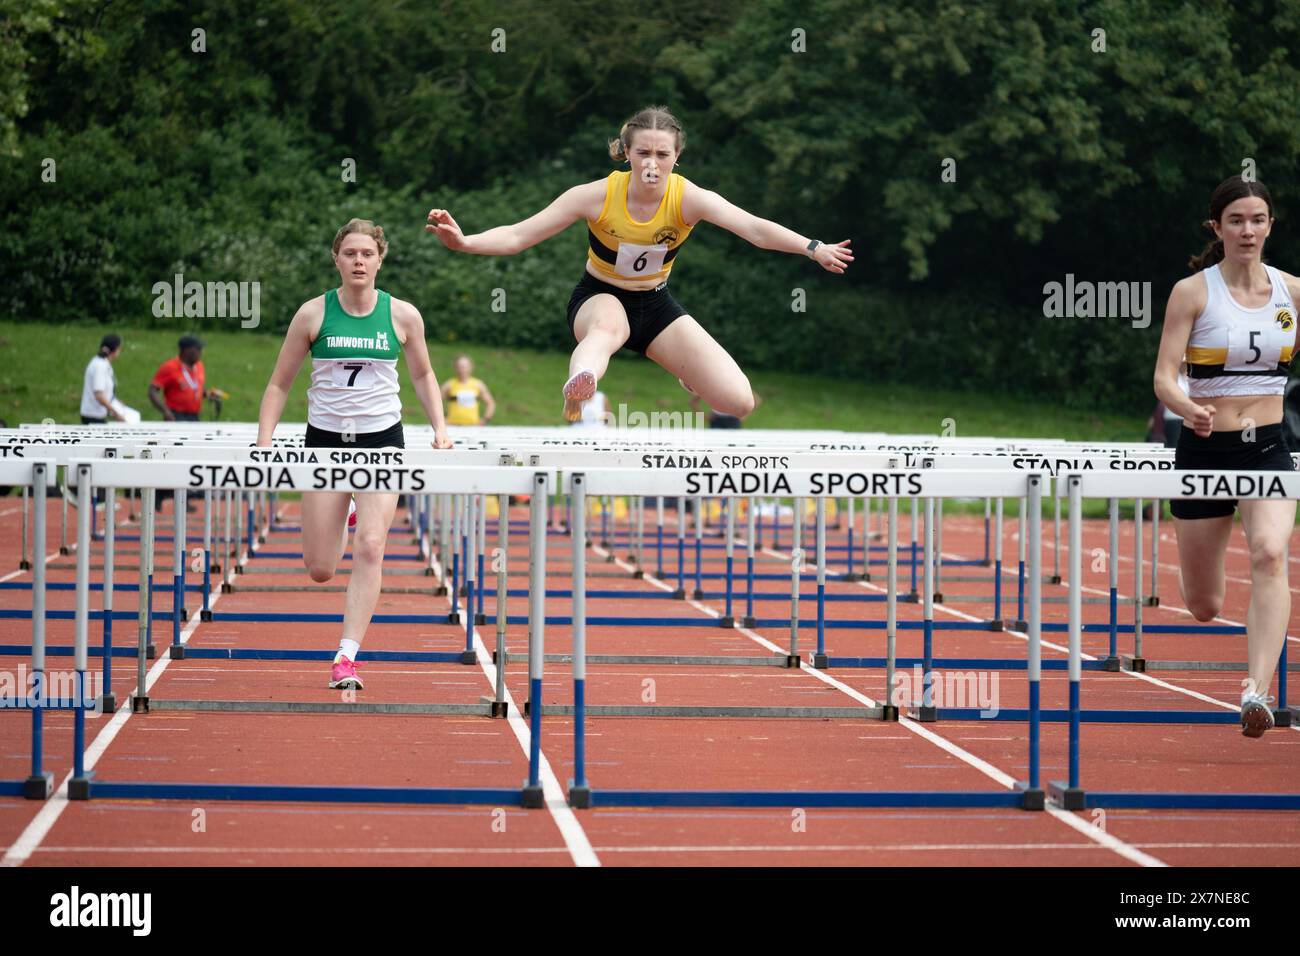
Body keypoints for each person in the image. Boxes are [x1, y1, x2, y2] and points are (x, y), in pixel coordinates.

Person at [426, 105, 852, 421]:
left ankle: (682, 372)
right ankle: (580, 388)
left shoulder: (688, 198)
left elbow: (754, 228)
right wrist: (465, 242)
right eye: (643, 152)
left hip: (656, 304)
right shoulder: (596, 195)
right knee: (608, 329)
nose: (652, 163)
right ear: (626, 153)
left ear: (676, 158)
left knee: (737, 402)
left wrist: (812, 247)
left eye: (662, 155)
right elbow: (520, 234)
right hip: (599, 297)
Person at [255, 218, 454, 691]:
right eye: (350, 254)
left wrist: (440, 430)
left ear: (380, 259)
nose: (359, 261)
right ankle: (345, 516)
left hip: (382, 443)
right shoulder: (312, 315)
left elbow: (424, 376)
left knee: (372, 544)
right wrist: (264, 441)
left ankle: (346, 656)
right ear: (337, 259)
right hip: (324, 443)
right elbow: (280, 381)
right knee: (320, 568)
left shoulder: (403, 315)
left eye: (367, 253)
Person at [1153, 174, 1300, 737]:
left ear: (1270, 226)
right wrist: (1189, 407)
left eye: (1257, 219)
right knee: (1204, 603)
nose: (1248, 230)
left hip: (1266, 448)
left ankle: (1255, 693)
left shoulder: (1292, 292)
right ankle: (1248, 673)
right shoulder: (1193, 292)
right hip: (1203, 447)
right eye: (1236, 220)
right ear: (1217, 227)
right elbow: (1165, 377)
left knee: (1269, 553)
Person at [149, 335, 222, 422]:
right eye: (198, 349)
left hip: (194, 416)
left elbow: (194, 387)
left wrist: (208, 394)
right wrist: (166, 411)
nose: (201, 352)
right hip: (175, 415)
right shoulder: (170, 367)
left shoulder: (199, 366)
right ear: (186, 350)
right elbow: (152, 391)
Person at [80, 334, 126, 424]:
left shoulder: (103, 364)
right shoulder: (100, 366)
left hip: (98, 415)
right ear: (115, 349)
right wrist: (116, 412)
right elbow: (99, 395)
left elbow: (105, 393)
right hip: (93, 416)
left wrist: (115, 403)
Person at [440, 354, 496, 425]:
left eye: (465, 367)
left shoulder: (478, 385)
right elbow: (435, 403)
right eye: (460, 367)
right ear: (455, 368)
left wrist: (485, 419)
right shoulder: (448, 385)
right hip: (452, 425)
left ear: (471, 367)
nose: (462, 369)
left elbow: (490, 403)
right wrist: (442, 420)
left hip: (473, 426)